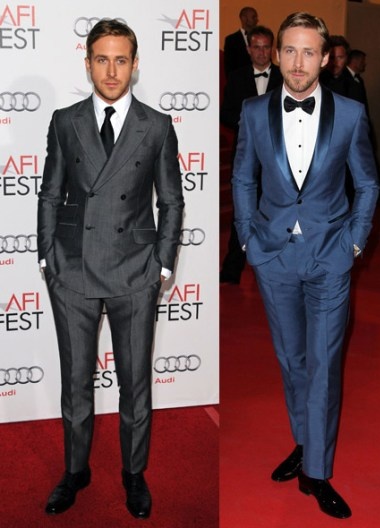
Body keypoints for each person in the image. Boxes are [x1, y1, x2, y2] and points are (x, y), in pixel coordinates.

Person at [232, 11, 379, 520]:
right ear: (276, 55)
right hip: (272, 255)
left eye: (308, 52)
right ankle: (304, 440)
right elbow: (243, 178)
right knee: (291, 360)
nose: (298, 62)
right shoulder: (253, 111)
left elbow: (368, 183)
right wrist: (248, 239)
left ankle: (316, 470)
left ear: (326, 58)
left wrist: (355, 244)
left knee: (323, 364)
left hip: (330, 256)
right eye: (289, 51)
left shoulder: (351, 114)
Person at [37, 19, 184, 519]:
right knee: (75, 383)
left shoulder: (156, 125)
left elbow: (171, 200)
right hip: (73, 270)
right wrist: (46, 256)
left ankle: (133, 473)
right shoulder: (65, 120)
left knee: (135, 384)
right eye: (102, 59)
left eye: (121, 60)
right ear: (88, 63)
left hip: (134, 272)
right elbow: (50, 192)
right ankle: (75, 471)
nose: (112, 71)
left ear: (135, 64)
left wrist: (162, 264)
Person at [220, 25, 283, 284]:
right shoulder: (236, 77)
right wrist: (250, 124)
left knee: (276, 215)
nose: (261, 52)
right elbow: (226, 113)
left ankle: (273, 269)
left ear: (273, 50)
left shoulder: (284, 77)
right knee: (242, 212)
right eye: (256, 47)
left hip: (277, 158)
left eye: (266, 47)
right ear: (248, 49)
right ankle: (232, 269)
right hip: (245, 156)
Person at [320, 35, 366, 105]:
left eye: (340, 57)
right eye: (332, 57)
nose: (335, 62)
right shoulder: (316, 81)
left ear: (347, 59)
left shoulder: (354, 86)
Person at [223, 6, 259, 77]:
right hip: (240, 81)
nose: (257, 20)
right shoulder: (231, 40)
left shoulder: (261, 38)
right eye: (254, 17)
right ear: (244, 18)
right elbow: (229, 68)